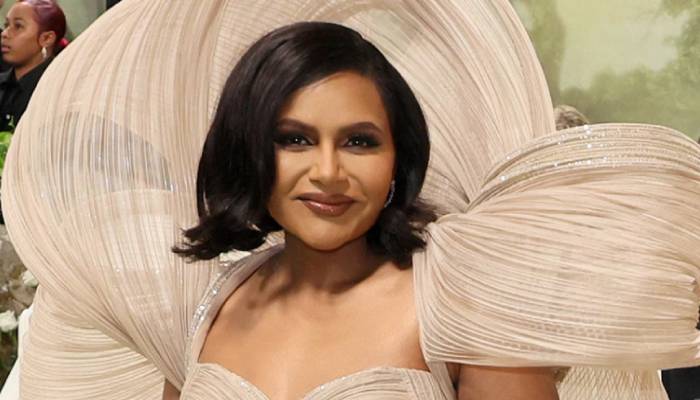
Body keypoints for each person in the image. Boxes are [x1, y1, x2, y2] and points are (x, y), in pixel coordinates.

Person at [2, 1, 699, 400]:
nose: (328, 172)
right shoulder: (202, 308)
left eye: (360, 141)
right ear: (249, 150)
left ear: (400, 158)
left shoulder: (463, 306)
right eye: (294, 139)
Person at [0, 0, 67, 132]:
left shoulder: (60, 91)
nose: (5, 33)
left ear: (47, 38)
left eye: (18, 26)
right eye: (6, 25)